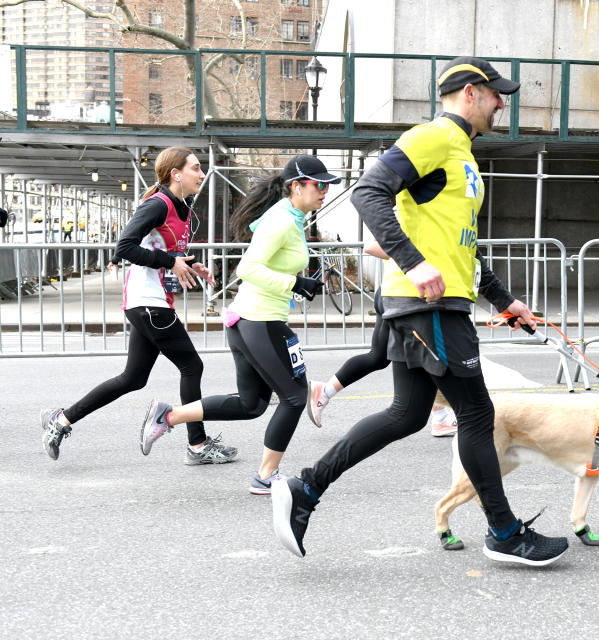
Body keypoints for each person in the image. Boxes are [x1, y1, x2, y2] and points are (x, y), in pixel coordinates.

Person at [272, 56, 569, 566]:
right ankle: (504, 532)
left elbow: (463, 247)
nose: (502, 104)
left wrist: (504, 300)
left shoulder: (464, 155)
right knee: (477, 413)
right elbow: (369, 192)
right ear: (471, 93)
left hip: (439, 301)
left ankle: (305, 488)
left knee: (409, 414)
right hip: (428, 305)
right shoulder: (433, 137)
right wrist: (414, 262)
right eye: (497, 94)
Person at [138, 155, 341, 495]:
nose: (325, 191)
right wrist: (295, 284)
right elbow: (247, 269)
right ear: (297, 186)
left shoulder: (290, 216)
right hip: (260, 320)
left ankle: (168, 416)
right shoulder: (281, 221)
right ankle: (265, 477)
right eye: (319, 185)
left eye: (327, 185)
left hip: (250, 320)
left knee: (252, 405)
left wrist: (296, 282)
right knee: (294, 397)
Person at [40, 146, 234, 464]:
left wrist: (191, 264)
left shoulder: (182, 207)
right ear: (176, 174)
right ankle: (197, 446)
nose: (202, 174)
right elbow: (125, 247)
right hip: (149, 303)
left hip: (151, 303)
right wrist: (171, 262)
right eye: (196, 168)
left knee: (133, 378)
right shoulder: (157, 205)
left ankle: (60, 420)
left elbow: (165, 250)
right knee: (192, 366)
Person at [306, 241, 458, 437]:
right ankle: (441, 417)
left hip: (399, 295)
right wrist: (416, 261)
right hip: (401, 296)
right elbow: (372, 246)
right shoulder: (405, 213)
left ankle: (325, 391)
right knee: (427, 355)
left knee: (382, 357)